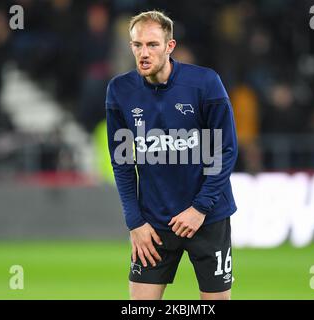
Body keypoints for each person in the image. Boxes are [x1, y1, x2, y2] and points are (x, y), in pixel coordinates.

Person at [106, 10, 238, 300]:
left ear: (170, 46)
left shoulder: (205, 84)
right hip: (153, 223)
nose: (143, 52)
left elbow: (224, 150)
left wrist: (200, 208)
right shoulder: (120, 91)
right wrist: (134, 222)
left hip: (207, 217)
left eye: (152, 44)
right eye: (137, 45)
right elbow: (123, 163)